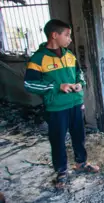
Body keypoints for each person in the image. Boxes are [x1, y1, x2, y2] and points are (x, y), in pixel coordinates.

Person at [24, 19, 99, 189]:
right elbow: (29, 85)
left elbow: (79, 74)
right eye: (67, 35)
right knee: (57, 140)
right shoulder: (38, 59)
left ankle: (81, 163)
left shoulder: (69, 55)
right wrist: (57, 86)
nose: (70, 39)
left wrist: (80, 84)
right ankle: (62, 172)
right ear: (54, 35)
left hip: (75, 103)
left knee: (79, 136)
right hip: (56, 108)